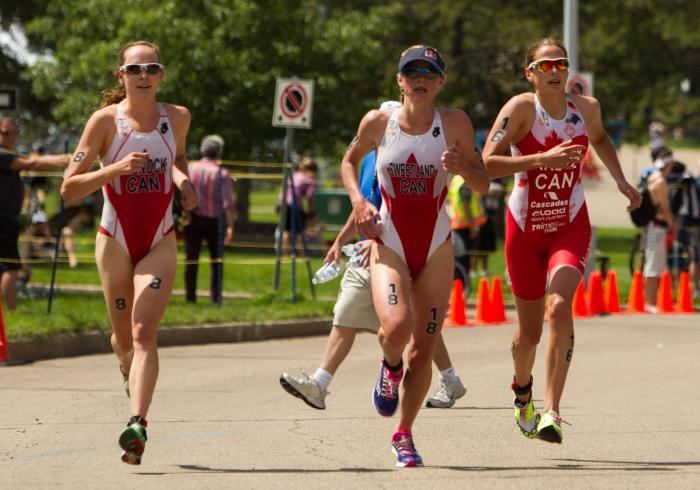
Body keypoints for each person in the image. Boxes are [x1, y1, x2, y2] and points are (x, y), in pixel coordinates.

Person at [482, 38, 641, 444]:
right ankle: (522, 392)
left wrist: (621, 181)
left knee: (560, 304)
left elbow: (601, 138)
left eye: (561, 64)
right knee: (528, 337)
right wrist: (539, 160)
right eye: (545, 65)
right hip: (524, 230)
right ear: (529, 73)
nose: (554, 71)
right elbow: (487, 163)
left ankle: (552, 411)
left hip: (569, 224)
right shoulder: (520, 109)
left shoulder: (585, 108)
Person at [341, 45, 489, 467]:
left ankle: (403, 434)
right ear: (399, 81)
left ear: (440, 82)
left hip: (437, 244)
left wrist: (463, 167)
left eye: (429, 72)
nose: (420, 79)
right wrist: (358, 202)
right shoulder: (378, 122)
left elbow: (483, 186)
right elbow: (348, 163)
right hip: (390, 240)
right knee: (397, 327)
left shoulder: (455, 123)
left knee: (423, 349)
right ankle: (389, 369)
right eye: (412, 72)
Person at [60, 40, 197, 465]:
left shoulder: (177, 117)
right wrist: (115, 169)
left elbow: (175, 159)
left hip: (159, 238)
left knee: (143, 333)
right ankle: (128, 373)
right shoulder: (104, 122)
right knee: (122, 341)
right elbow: (68, 188)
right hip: (114, 239)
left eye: (152, 68)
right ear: (120, 75)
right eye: (134, 69)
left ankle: (137, 423)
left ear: (161, 75)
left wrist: (182, 182)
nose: (144, 76)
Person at [280, 105, 468, 412]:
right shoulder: (371, 156)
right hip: (376, 247)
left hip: (389, 247)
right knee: (360, 315)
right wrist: (342, 240)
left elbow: (391, 208)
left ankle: (441, 379)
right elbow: (364, 205)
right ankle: (322, 383)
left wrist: (366, 240)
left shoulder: (404, 155)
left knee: (408, 324)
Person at [0, 117, 68, 311]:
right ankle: (11, 311)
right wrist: (66, 159)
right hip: (2, 219)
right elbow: (30, 164)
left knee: (8, 265)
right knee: (10, 268)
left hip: (8, 218)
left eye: (14, 133)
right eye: (5, 133)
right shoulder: (2, 154)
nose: (10, 137)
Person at [184, 134, 236, 303]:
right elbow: (228, 203)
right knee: (217, 261)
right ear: (219, 152)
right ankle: (216, 297)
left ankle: (190, 298)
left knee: (191, 260)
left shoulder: (190, 167)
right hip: (215, 221)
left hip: (192, 219)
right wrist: (230, 226)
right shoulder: (222, 172)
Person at [643, 156, 676, 311]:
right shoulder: (661, 182)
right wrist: (672, 225)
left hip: (652, 226)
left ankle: (654, 301)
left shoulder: (651, 178)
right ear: (668, 165)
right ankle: (651, 303)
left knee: (657, 265)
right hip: (658, 226)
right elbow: (664, 207)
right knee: (653, 266)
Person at [279, 157, 318, 256]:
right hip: (295, 205)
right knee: (299, 232)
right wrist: (309, 211)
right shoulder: (310, 178)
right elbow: (310, 196)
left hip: (283, 203)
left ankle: (285, 254)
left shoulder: (295, 175)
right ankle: (301, 254)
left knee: (286, 230)